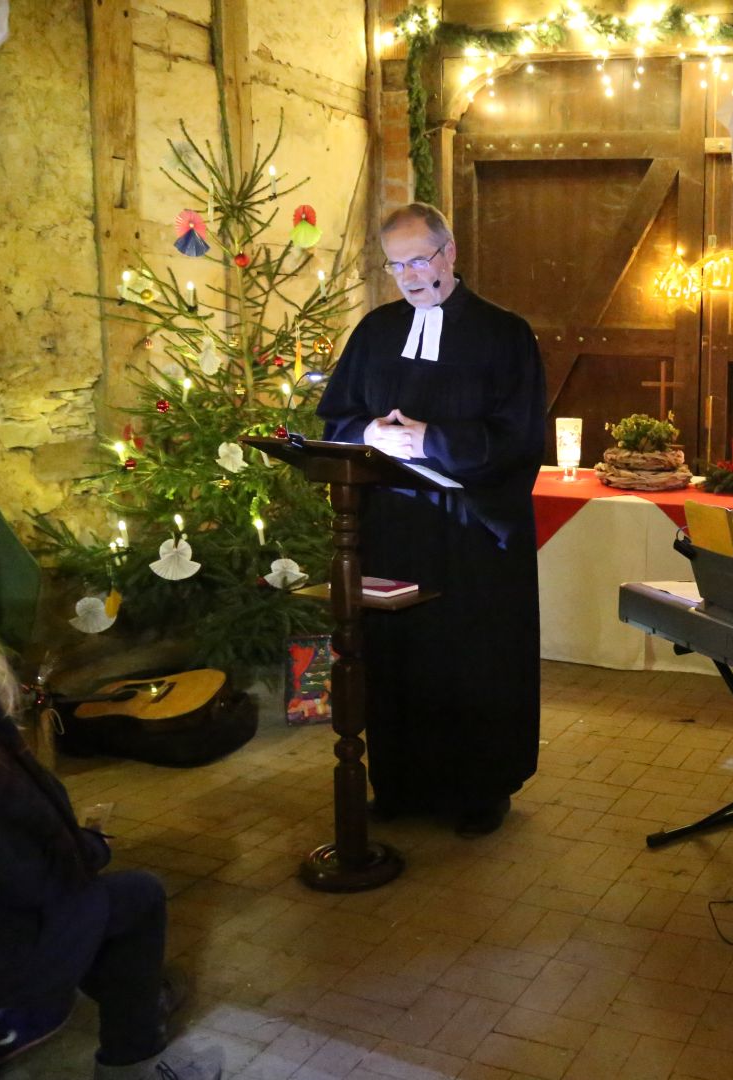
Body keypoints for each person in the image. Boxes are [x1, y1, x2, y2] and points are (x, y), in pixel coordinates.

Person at [0, 530, 219, 1080]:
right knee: (134, 898)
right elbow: (3, 858)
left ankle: (5, 1025)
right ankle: (128, 1059)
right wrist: (86, 851)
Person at [317, 202, 547, 836]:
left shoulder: (505, 334)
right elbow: (334, 417)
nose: (410, 276)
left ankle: (480, 790)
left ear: (449, 253)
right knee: (398, 653)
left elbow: (521, 436)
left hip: (471, 530)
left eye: (420, 260)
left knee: (471, 657)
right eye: (397, 266)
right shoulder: (374, 331)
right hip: (393, 527)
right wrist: (368, 432)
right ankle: (401, 782)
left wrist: (430, 441)